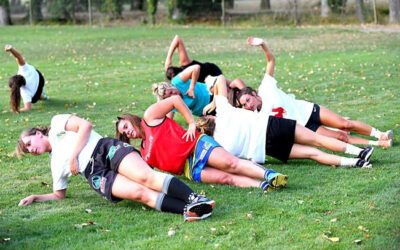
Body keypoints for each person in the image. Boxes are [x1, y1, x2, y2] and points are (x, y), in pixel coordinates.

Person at [16, 114, 215, 222]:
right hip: (95, 174)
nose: (31, 149)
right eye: (27, 150)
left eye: (29, 143)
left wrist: (74, 156)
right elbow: (58, 195)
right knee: (140, 193)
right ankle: (192, 210)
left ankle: (195, 198)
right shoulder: (54, 164)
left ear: (37, 133)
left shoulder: (57, 123)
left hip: (103, 149)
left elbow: (85, 125)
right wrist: (35, 197)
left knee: (145, 177)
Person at [237, 37, 393, 148]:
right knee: (341, 137)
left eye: (248, 101)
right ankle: (380, 143)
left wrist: (263, 44)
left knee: (345, 124)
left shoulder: (266, 87)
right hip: (305, 129)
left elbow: (271, 60)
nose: (247, 106)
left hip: (309, 110)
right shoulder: (257, 117)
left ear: (254, 94)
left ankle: (380, 134)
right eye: (244, 105)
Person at [115, 95, 288, 192]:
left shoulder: (149, 117)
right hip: (189, 168)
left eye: (125, 126)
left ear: (129, 119)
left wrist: (191, 123)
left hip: (196, 145)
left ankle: (270, 175)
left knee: (231, 163)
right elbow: (145, 175)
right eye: (124, 133)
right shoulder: (143, 153)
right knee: (226, 178)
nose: (127, 132)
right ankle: (264, 186)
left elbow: (175, 99)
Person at [196, 74, 374, 168]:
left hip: (267, 149)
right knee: (318, 140)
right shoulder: (224, 112)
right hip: (271, 126)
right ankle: (359, 153)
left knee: (313, 154)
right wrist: (214, 101)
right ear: (211, 117)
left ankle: (356, 163)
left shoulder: (219, 144)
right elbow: (220, 79)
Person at [5, 44, 48, 113]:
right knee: (37, 92)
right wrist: (10, 49)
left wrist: (14, 111)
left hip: (36, 89)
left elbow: (27, 108)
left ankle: (42, 95)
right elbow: (18, 56)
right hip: (39, 77)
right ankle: (42, 95)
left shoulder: (25, 92)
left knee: (33, 99)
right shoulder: (23, 69)